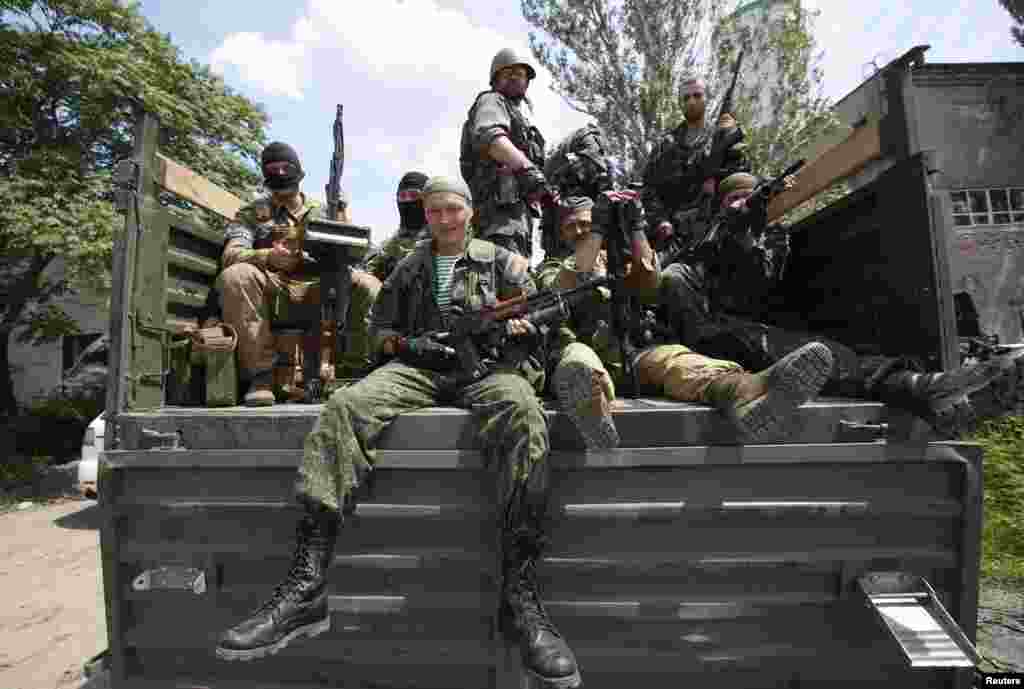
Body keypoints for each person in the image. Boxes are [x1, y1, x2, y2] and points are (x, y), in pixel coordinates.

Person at [216, 176, 582, 689]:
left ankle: (519, 596)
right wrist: (411, 348)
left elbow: (544, 314)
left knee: (523, 412)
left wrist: (525, 331)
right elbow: (382, 333)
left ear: (470, 213)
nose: (444, 220)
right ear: (426, 217)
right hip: (423, 370)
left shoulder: (502, 262)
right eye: (434, 212)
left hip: (490, 369)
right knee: (346, 406)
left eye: (453, 210)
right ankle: (308, 585)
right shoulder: (410, 266)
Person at [660, 171, 1018, 436]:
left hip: (752, 333)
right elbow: (684, 286)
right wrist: (728, 229)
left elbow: (762, 290)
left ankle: (924, 389)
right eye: (733, 199)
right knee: (794, 350)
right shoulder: (699, 244)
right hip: (704, 341)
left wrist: (751, 235)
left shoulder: (766, 239)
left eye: (749, 196)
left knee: (831, 355)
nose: (743, 204)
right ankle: (926, 392)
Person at [535, 193, 833, 449]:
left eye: (585, 223)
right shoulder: (552, 267)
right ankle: (593, 418)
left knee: (679, 361)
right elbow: (563, 287)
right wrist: (597, 231)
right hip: (588, 350)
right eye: (571, 226)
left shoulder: (619, 259)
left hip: (635, 355)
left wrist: (635, 227)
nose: (579, 230)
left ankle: (743, 393)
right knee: (578, 363)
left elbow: (652, 284)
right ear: (561, 234)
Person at [215, 142, 380, 405]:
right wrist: (268, 256)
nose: (280, 174)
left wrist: (342, 224)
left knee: (368, 284)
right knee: (235, 276)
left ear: (299, 172)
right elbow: (231, 254)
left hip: (321, 288)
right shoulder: (252, 214)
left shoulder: (326, 210)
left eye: (286, 167)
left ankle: (354, 374)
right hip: (274, 287)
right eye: (272, 168)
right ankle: (261, 378)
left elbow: (365, 255)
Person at [641, 75, 751, 255]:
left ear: (706, 98)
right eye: (686, 97)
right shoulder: (666, 145)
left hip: (718, 228)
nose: (692, 101)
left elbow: (743, 177)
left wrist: (728, 143)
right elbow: (649, 189)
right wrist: (661, 221)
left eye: (697, 95)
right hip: (674, 235)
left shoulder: (722, 136)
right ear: (680, 103)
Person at [459, 48, 548, 259]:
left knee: (517, 281)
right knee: (504, 280)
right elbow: (491, 136)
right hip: (496, 218)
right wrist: (527, 169)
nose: (515, 78)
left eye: (520, 74)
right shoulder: (492, 101)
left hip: (516, 219)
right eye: (508, 73)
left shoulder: (520, 119)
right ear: (495, 79)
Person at [365, 171, 431, 283]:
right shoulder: (392, 243)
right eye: (402, 196)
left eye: (414, 195)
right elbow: (369, 271)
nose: (407, 201)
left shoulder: (438, 237)